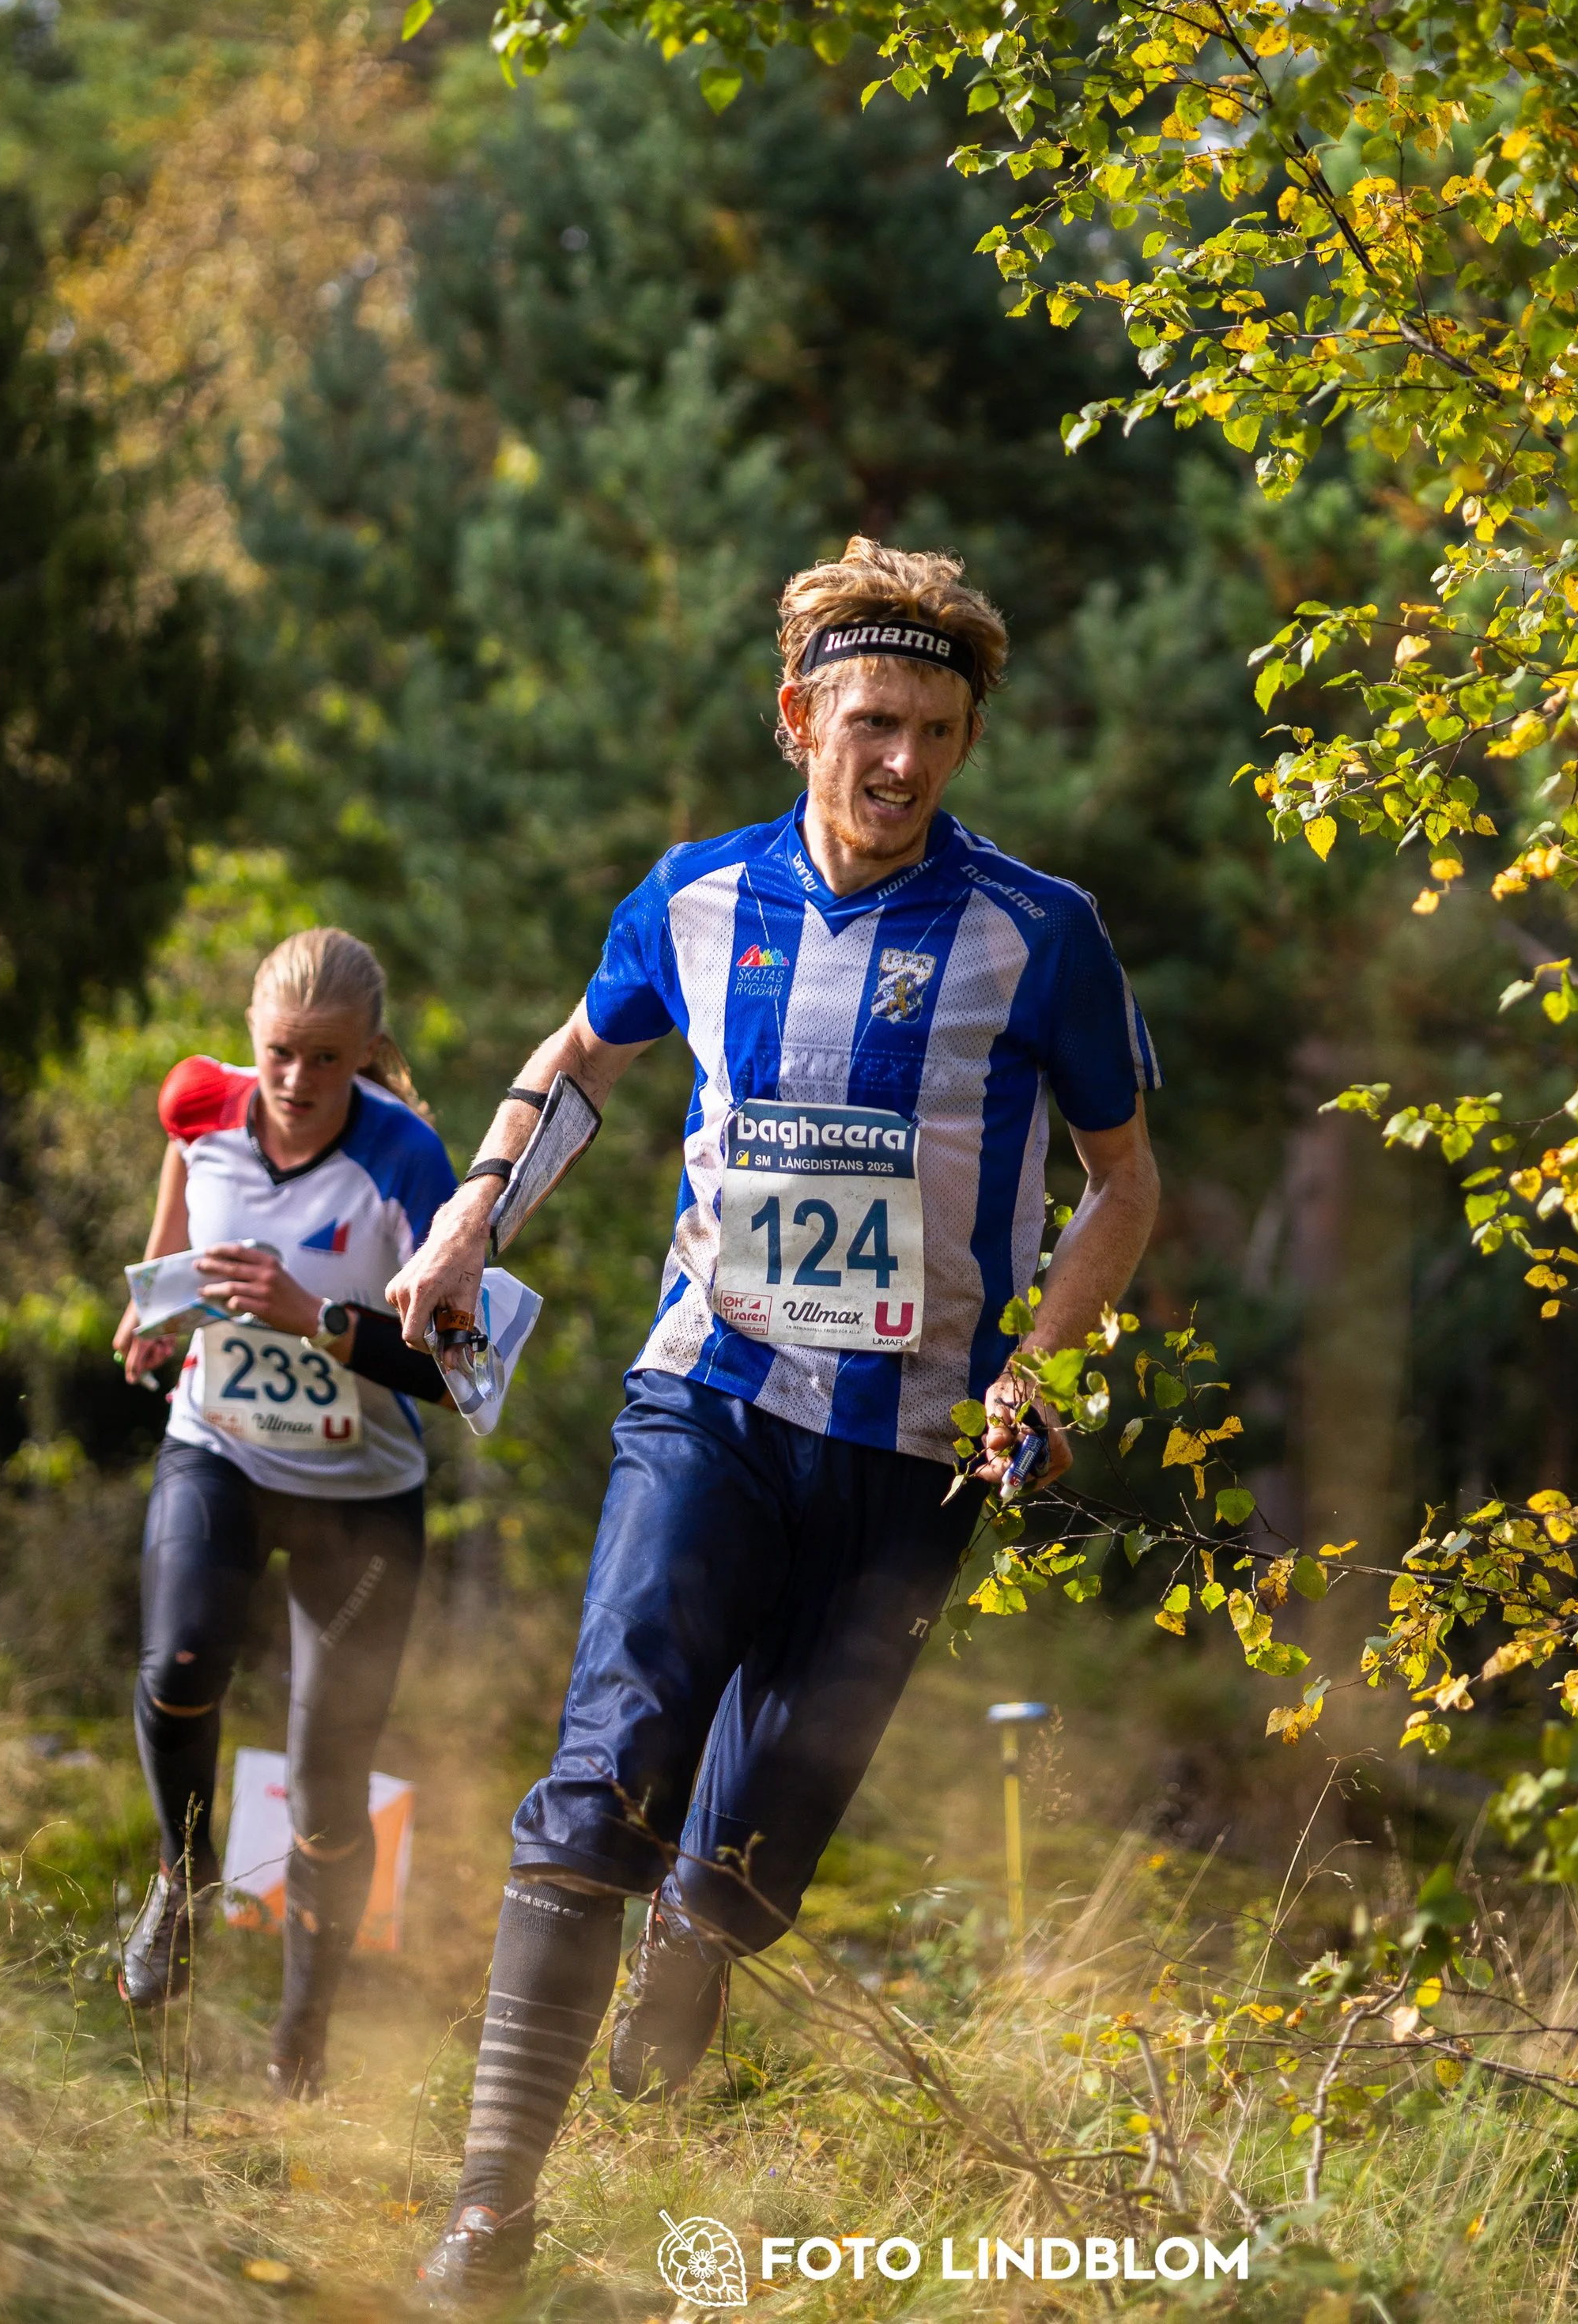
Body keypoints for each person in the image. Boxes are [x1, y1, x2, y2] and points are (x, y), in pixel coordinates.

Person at [393, 538, 1161, 2299]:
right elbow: (577, 1054)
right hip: (707, 1403)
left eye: (939, 731)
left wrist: (1034, 1368)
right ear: (796, 715)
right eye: (873, 721)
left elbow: (1123, 1188)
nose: (902, 762)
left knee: (747, 1862)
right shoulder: (691, 895)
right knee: (603, 1779)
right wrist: (467, 1217)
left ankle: (699, 1942)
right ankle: (489, 2208)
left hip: (909, 1459)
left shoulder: (1037, 933)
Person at [111, 927, 459, 2096]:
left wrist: (318, 1316)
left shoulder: (408, 1161)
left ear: (367, 1053)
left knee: (325, 1782)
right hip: (218, 1447)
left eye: (326, 1059)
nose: (298, 1083)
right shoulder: (202, 1104)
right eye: (278, 1055)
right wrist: (157, 1300)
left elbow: (459, 1371)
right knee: (179, 1667)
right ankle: (182, 1880)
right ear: (251, 1041)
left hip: (360, 1500)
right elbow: (180, 1181)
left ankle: (301, 2042)